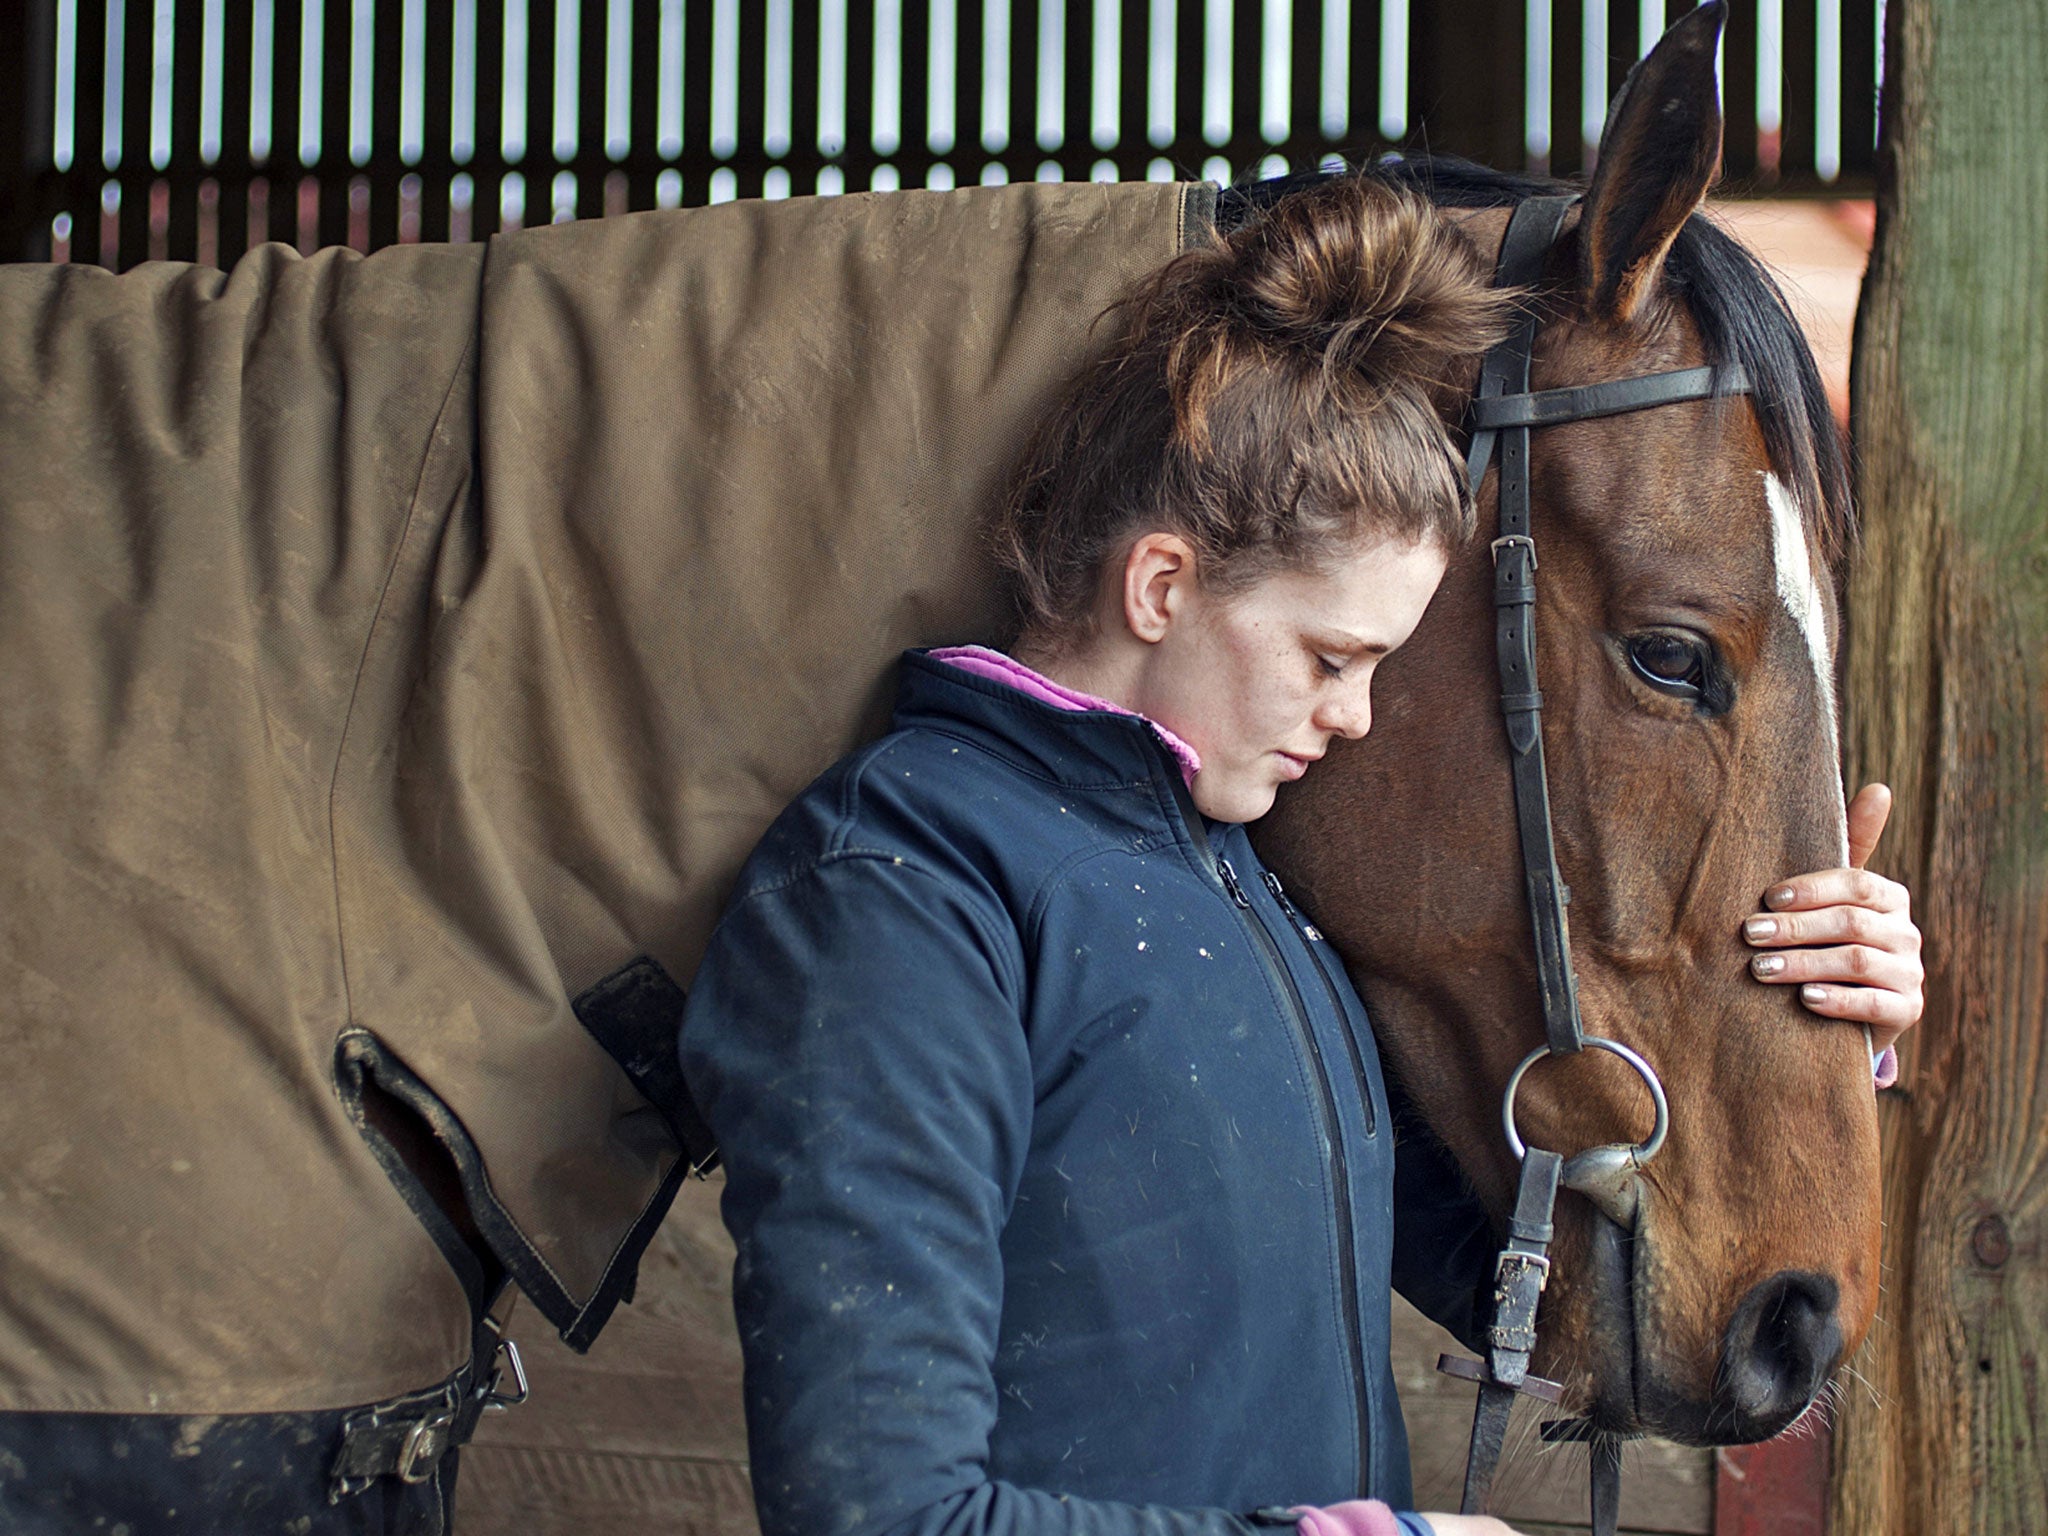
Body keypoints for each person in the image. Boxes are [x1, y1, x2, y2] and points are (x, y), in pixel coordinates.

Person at [677, 176, 1923, 1536]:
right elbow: (878, 1516)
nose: (1359, 716)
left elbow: (1520, 1276)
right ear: (1162, 585)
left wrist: (1807, 1009)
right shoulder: (902, 894)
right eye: (1331, 658)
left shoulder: (1257, 903)